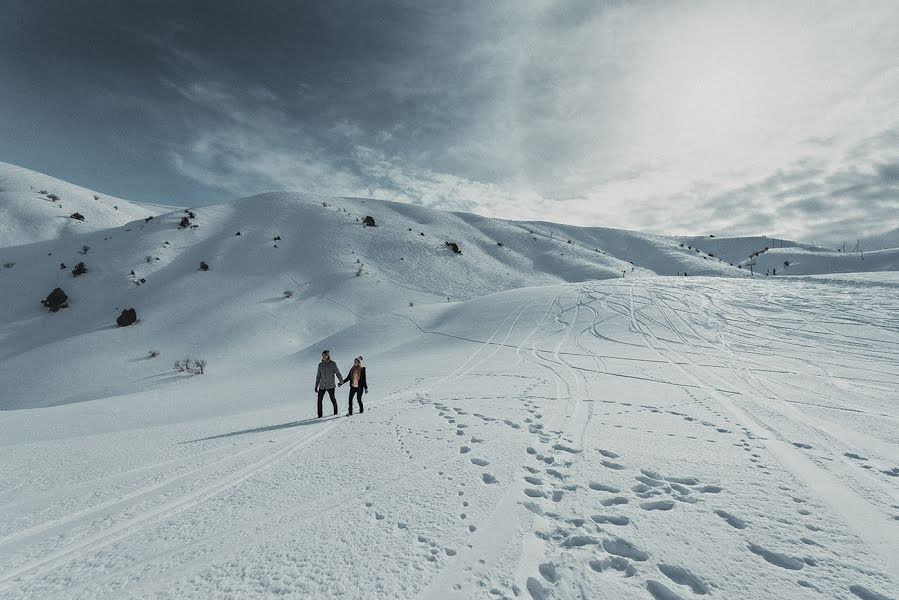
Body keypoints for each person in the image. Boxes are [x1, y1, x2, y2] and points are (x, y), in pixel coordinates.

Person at [315, 350, 343, 418]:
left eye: (325, 355)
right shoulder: (320, 365)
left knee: (332, 399)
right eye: (322, 355)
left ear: (328, 356)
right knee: (319, 400)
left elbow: (337, 373)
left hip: (330, 385)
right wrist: (316, 386)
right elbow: (318, 376)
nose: (323, 356)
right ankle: (320, 415)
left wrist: (341, 381)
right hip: (322, 385)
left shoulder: (332, 364)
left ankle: (335, 413)